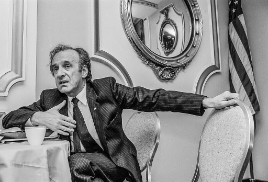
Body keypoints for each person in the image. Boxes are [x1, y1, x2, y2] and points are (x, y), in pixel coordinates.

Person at [2, 44, 239, 182]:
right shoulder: (50, 98)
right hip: (82, 169)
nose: (60, 73)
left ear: (84, 71)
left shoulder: (106, 89)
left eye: (67, 66)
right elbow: (8, 118)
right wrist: (37, 117)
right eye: (55, 68)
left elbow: (152, 98)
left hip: (115, 161)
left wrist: (206, 101)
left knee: (73, 162)